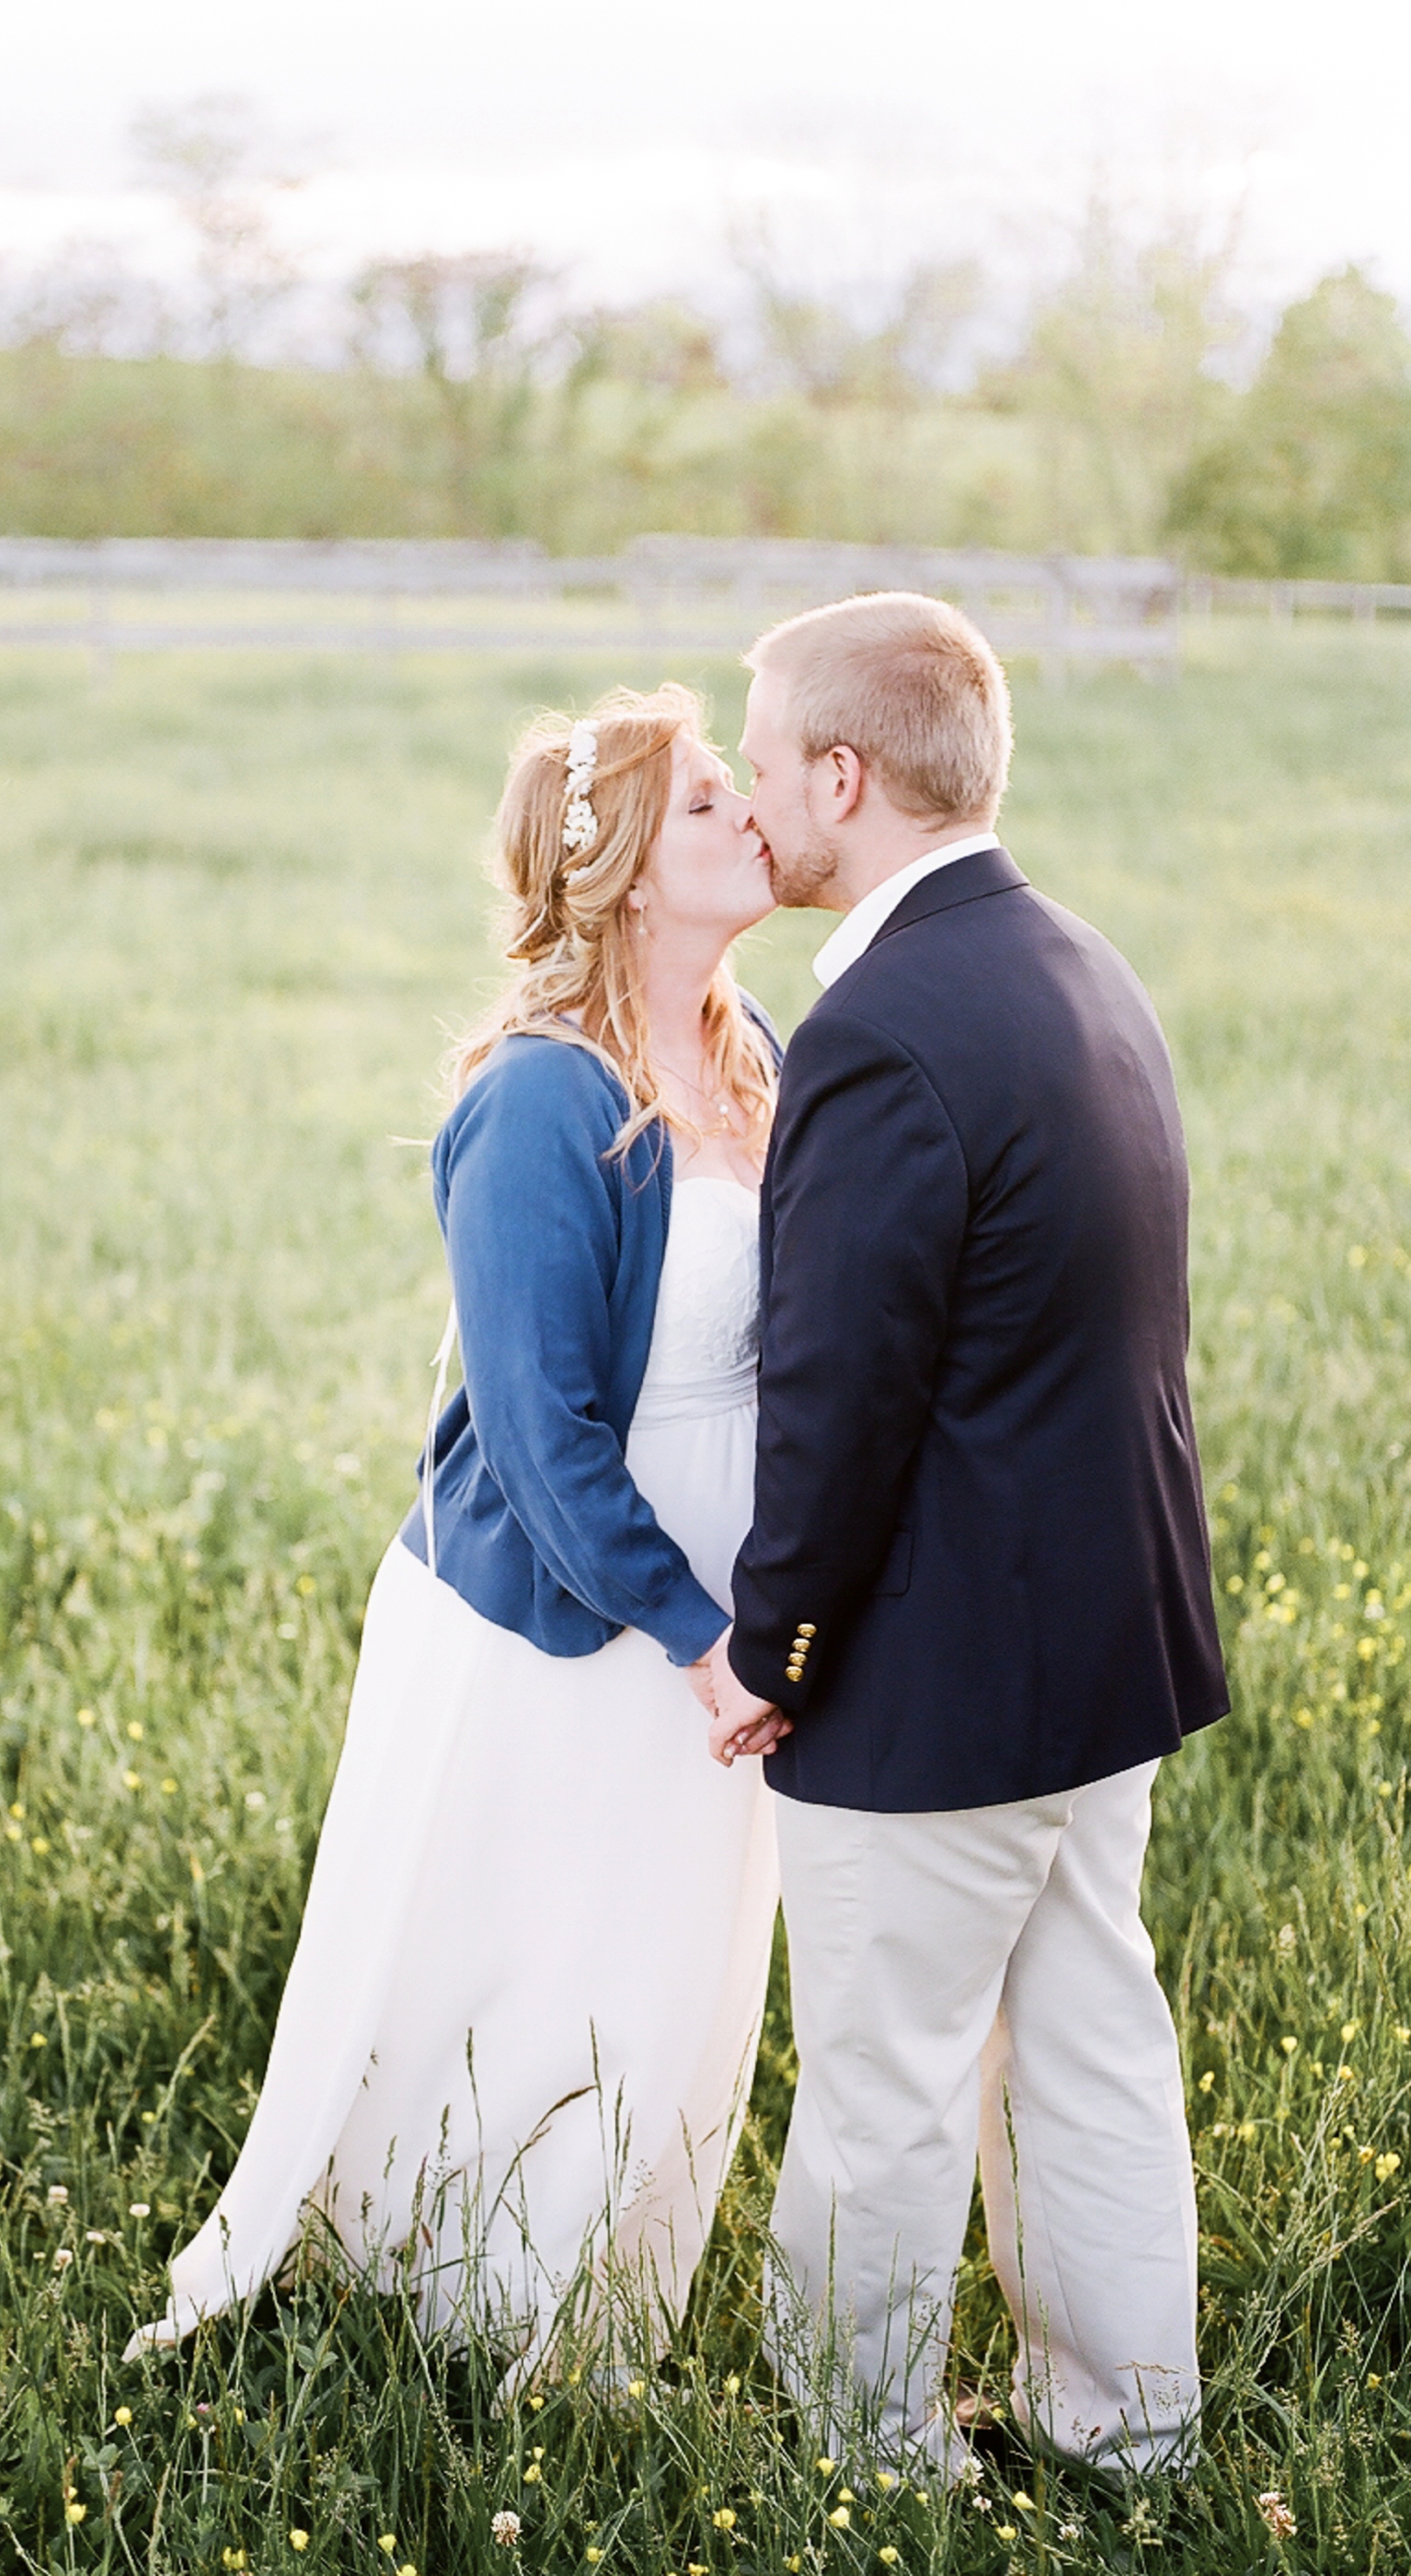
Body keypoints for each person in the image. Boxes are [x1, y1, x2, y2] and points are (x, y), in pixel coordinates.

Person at [125, 684, 786, 2376]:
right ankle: (449, 2302)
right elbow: (540, 1432)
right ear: (637, 868)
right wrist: (698, 1637)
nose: (756, 814)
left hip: (736, 1574)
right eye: (714, 801)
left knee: (670, 1960)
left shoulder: (749, 1053)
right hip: (566, 1609)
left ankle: (595, 2303)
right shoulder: (541, 1102)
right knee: (524, 1950)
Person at [699, 593, 1228, 2476]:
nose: (752, 804)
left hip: (937, 1674)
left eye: (763, 767)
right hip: (1111, 1650)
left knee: (888, 2079)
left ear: (841, 774)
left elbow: (842, 1401)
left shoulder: (878, 1026)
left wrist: (774, 1649)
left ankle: (858, 2454)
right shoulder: (1079, 959)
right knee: (1091, 2037)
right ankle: (1127, 2425)